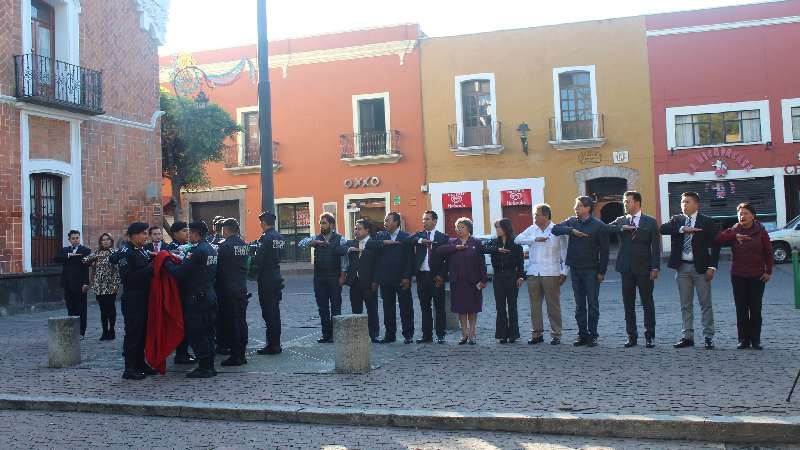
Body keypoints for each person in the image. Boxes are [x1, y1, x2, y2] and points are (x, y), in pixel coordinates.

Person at [660, 192, 720, 350]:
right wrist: (681, 229)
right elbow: (662, 229)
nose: (683, 205)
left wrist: (712, 267)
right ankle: (688, 336)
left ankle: (708, 337)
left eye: (687, 202)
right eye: (682, 202)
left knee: (705, 304)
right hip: (682, 267)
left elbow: (716, 244)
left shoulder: (706, 221)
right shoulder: (677, 220)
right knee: (685, 304)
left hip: (701, 268)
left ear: (696, 204)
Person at [552, 196, 610, 347]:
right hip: (575, 269)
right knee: (579, 305)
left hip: (592, 269)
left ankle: (593, 335)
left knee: (592, 304)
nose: (575, 208)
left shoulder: (598, 225)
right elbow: (555, 229)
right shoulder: (572, 221)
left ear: (587, 208)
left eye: (578, 206)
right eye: (575, 205)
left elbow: (604, 251)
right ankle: (582, 334)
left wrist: (601, 271)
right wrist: (571, 231)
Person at [164, 221, 219, 378]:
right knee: (208, 332)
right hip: (208, 295)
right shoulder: (211, 249)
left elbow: (179, 273)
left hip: (196, 299)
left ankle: (205, 367)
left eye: (190, 232)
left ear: (196, 233)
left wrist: (166, 261)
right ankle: (208, 365)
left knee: (197, 333)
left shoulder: (196, 251)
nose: (188, 235)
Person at [715, 202, 773, 350]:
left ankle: (756, 340)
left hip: (757, 275)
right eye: (740, 213)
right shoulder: (734, 229)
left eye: (746, 213)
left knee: (755, 308)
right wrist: (735, 235)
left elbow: (768, 253)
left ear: (753, 216)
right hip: (738, 275)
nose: (743, 216)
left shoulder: (761, 231)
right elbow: (719, 239)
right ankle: (743, 340)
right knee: (741, 309)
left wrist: (768, 271)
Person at [608, 191, 661, 348]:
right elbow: (605, 229)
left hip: (645, 268)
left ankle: (649, 335)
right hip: (626, 269)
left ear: (637, 203)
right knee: (628, 304)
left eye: (628, 201)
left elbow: (656, 248)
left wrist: (655, 267)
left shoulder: (650, 222)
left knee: (647, 303)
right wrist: (621, 228)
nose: (625, 204)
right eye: (624, 201)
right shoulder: (621, 220)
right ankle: (631, 336)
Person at [515, 203, 568, 345]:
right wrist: (534, 239)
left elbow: (564, 252)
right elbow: (517, 239)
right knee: (535, 305)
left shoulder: (556, 230)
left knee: (553, 305)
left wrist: (564, 272)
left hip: (551, 272)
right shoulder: (532, 229)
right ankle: (536, 333)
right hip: (533, 272)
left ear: (545, 216)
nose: (534, 217)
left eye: (536, 215)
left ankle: (556, 334)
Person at [114, 222, 156, 380]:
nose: (146, 236)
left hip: (144, 296)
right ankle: (129, 367)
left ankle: (140, 362)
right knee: (133, 332)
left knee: (143, 332)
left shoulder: (142, 250)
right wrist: (151, 267)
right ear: (134, 235)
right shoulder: (126, 252)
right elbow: (129, 277)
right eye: (144, 234)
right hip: (133, 298)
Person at [436, 217, 488, 345]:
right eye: (457, 228)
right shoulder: (452, 242)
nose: (459, 230)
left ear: (468, 229)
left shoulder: (476, 243)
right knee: (461, 309)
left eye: (462, 227)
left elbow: (482, 263)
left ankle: (472, 334)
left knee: (472, 309)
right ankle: (464, 334)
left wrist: (483, 280)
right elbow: (439, 250)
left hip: (473, 282)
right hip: (457, 281)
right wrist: (455, 248)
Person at [404, 210, 449, 344]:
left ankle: (441, 334)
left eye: (427, 219)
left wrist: (442, 275)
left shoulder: (442, 237)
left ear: (435, 221)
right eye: (423, 219)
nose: (424, 222)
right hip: (422, 276)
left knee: (439, 307)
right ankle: (427, 335)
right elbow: (406, 240)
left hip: (436, 277)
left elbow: (448, 260)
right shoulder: (419, 235)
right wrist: (420, 240)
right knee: (425, 307)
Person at [372, 212, 415, 344]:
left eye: (388, 220)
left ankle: (408, 335)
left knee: (406, 308)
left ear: (396, 222)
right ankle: (390, 335)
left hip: (402, 279)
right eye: (384, 220)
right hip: (386, 279)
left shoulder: (405, 237)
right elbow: (375, 258)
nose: (385, 222)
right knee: (388, 308)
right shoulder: (380, 236)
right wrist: (377, 279)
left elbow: (410, 259)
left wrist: (407, 277)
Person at [308, 213, 348, 343]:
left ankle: (335, 335)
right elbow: (302, 244)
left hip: (334, 277)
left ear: (331, 224)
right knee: (322, 308)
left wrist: (342, 276)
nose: (321, 225)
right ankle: (326, 335)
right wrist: (314, 242)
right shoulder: (317, 238)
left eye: (324, 223)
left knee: (336, 306)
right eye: (320, 223)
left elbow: (344, 260)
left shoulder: (340, 238)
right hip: (319, 278)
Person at [483, 219, 524, 344]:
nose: (497, 230)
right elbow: (483, 248)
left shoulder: (515, 243)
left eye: (499, 227)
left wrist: (520, 277)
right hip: (498, 277)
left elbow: (520, 263)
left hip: (511, 276)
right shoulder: (495, 242)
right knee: (500, 307)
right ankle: (502, 334)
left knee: (512, 306)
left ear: (506, 228)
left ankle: (513, 334)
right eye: (496, 228)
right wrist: (497, 250)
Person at [216, 218, 251, 365]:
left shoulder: (225, 246)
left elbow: (219, 268)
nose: (222, 232)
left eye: (223, 230)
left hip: (228, 289)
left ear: (227, 230)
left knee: (232, 323)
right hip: (241, 287)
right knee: (241, 321)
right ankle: (241, 354)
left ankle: (236, 356)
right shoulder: (243, 244)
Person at [252, 211, 285, 355]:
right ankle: (275, 343)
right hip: (276, 274)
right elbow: (282, 255)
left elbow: (258, 258)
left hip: (266, 277)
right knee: (275, 312)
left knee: (268, 313)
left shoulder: (265, 238)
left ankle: (272, 345)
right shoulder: (279, 236)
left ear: (263, 222)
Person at [344, 219, 381, 342]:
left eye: (359, 229)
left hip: (369, 283)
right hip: (355, 282)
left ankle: (374, 334)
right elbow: (337, 249)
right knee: (356, 310)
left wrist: (376, 280)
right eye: (355, 228)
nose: (356, 231)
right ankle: (358, 334)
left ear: (367, 230)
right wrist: (348, 250)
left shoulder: (373, 243)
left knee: (372, 309)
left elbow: (377, 264)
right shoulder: (351, 243)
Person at [164, 221, 196, 364]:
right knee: (182, 322)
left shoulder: (190, 247)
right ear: (175, 233)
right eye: (184, 231)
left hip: (187, 290)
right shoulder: (171, 248)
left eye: (188, 230)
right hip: (178, 291)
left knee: (188, 323)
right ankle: (181, 354)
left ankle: (184, 352)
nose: (187, 233)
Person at [83, 233, 121, 341]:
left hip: (111, 285)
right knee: (103, 309)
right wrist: (92, 261)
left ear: (111, 241)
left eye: (107, 240)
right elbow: (84, 260)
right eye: (103, 240)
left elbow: (117, 271)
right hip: (99, 286)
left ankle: (112, 330)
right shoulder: (97, 253)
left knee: (111, 308)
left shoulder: (115, 253)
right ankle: (104, 331)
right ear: (100, 242)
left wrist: (115, 285)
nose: (105, 241)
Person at [54, 230, 92, 337]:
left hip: (80, 284)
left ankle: (81, 332)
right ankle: (72, 330)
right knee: (70, 307)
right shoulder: (65, 250)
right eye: (73, 238)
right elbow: (56, 259)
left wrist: (86, 283)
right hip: (68, 283)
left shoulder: (85, 250)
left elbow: (86, 268)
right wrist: (69, 255)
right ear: (69, 240)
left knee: (81, 308)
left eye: (77, 238)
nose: (76, 240)